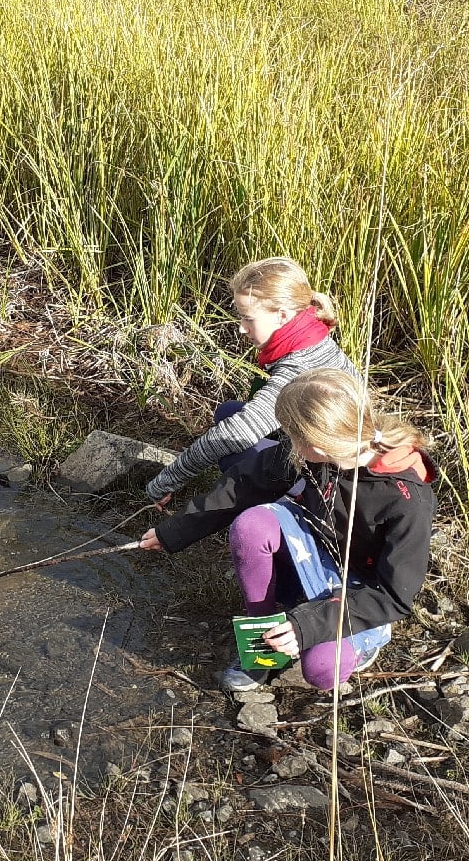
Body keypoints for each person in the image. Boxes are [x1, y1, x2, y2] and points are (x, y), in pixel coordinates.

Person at [139, 369, 436, 693]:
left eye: (292, 434)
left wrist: (304, 626)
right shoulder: (310, 454)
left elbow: (394, 595)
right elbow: (246, 483)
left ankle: (363, 643)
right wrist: (175, 531)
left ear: (318, 440)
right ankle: (263, 645)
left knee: (322, 669)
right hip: (315, 542)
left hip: (361, 589)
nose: (287, 441)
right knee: (252, 525)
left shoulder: (409, 500)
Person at [144, 257, 356, 505]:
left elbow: (237, 432)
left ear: (282, 315)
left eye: (248, 318)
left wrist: (167, 480)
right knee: (228, 411)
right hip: (317, 450)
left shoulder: (298, 367)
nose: (241, 328)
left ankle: (290, 503)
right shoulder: (311, 337)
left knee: (231, 445)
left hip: (332, 484)